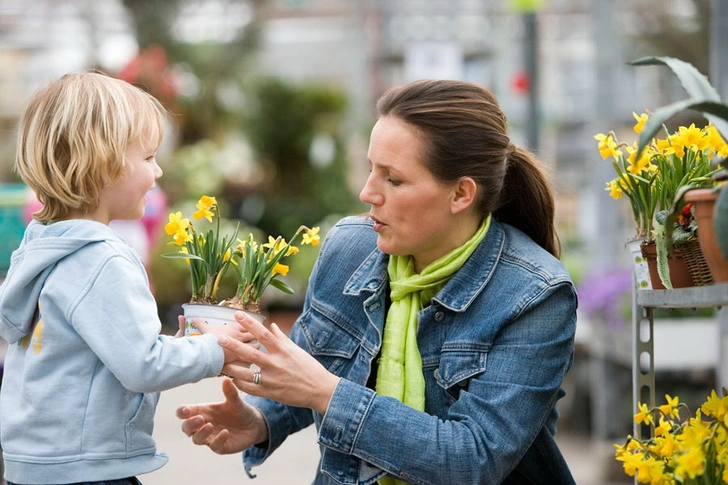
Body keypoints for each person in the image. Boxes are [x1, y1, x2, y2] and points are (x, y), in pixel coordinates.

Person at [177, 79, 579, 484]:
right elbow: (315, 367)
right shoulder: (349, 248)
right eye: (371, 169)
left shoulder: (536, 296)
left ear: (460, 194)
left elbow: (473, 459)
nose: (368, 193)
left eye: (394, 179)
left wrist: (328, 395)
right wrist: (260, 419)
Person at [0, 72, 256, 485]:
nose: (157, 172)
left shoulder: (42, 248)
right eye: (148, 157)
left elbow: (99, 353)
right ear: (105, 161)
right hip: (89, 470)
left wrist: (184, 345)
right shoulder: (101, 259)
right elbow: (143, 366)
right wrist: (217, 350)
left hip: (37, 466)